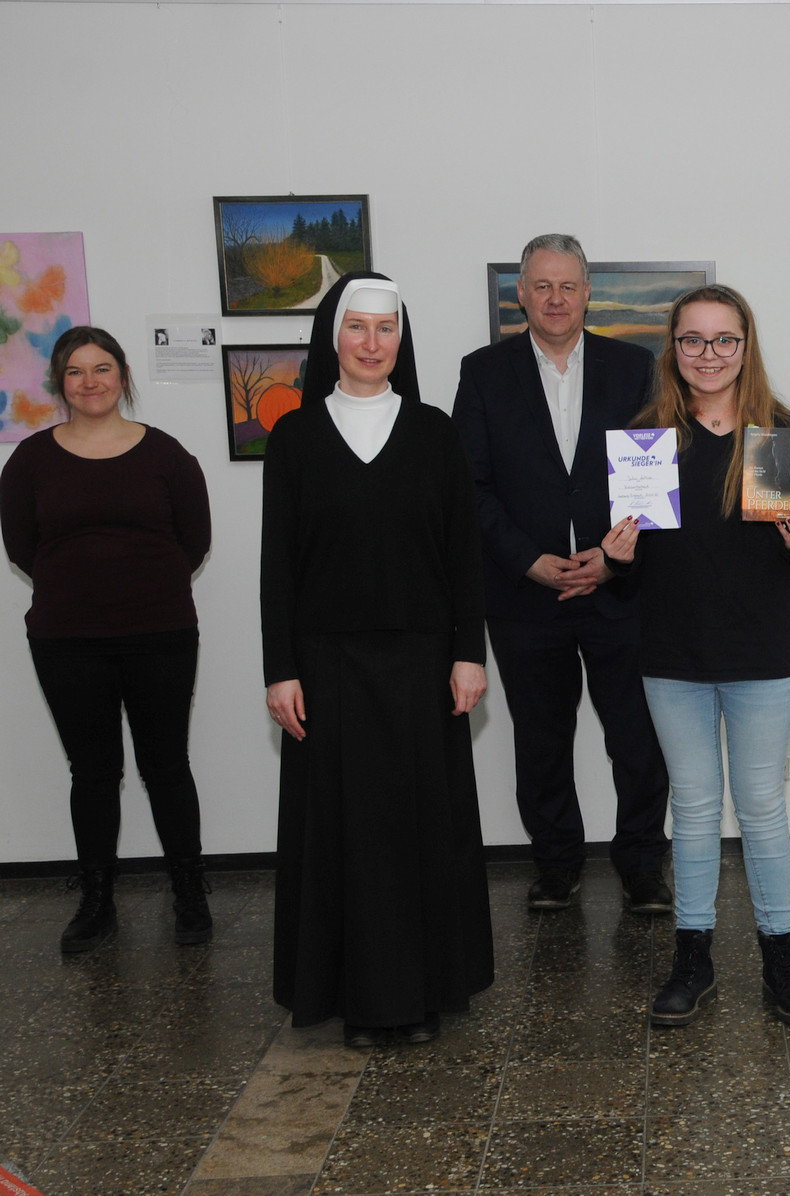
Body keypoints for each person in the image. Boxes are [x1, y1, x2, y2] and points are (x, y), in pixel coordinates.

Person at [262, 272, 494, 1047]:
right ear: (334, 338)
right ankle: (353, 997)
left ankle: (423, 991)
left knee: (420, 833)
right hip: (326, 671)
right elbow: (277, 566)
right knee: (342, 839)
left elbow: (464, 558)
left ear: (401, 339)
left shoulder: (435, 432)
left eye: (384, 328)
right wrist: (280, 669)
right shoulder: (294, 438)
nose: (370, 343)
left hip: (425, 667)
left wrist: (469, 655)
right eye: (356, 328)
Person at [605, 285, 790, 1028]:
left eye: (723, 340)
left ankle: (781, 960)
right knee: (696, 810)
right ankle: (692, 959)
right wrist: (618, 556)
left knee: (762, 808)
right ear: (673, 348)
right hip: (672, 655)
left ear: (746, 346)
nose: (708, 355)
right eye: (693, 340)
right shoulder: (648, 439)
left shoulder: (773, 435)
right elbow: (634, 567)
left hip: (761, 655)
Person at [453, 234, 672, 915]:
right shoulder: (484, 372)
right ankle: (556, 865)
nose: (555, 298)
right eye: (541, 286)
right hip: (525, 594)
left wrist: (608, 562)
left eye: (568, 286)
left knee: (637, 738)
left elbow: (653, 476)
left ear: (587, 294)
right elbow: (470, 485)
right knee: (540, 741)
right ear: (520, 293)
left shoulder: (634, 367)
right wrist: (529, 560)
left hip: (621, 590)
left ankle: (641, 867)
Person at [1, 326, 213, 952]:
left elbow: (193, 542)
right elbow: (22, 547)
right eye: (75, 371)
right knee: (92, 773)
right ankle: (96, 902)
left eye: (101, 368)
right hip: (68, 639)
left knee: (167, 766)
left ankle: (189, 894)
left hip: (161, 633)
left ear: (123, 376)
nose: (89, 382)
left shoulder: (168, 456)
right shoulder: (30, 461)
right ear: (58, 383)